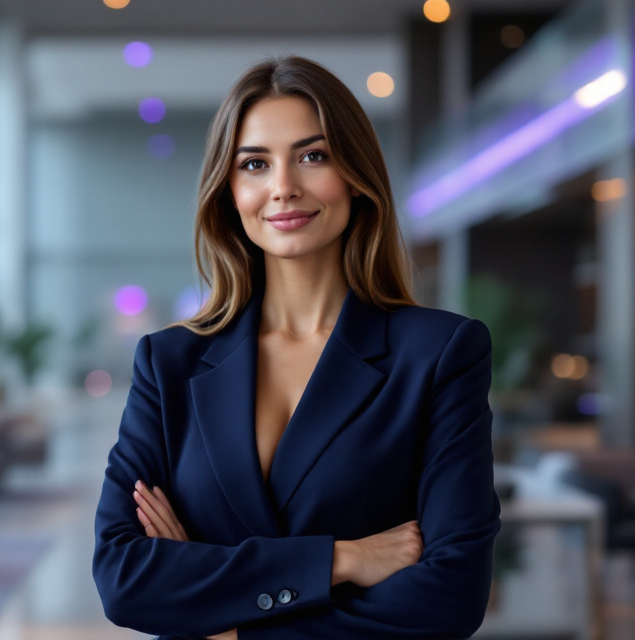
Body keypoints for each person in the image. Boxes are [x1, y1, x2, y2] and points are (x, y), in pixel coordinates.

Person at [92, 56, 501, 640]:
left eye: (313, 156)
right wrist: (340, 560)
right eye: (255, 164)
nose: (283, 187)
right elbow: (124, 577)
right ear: (230, 190)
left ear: (355, 175)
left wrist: (225, 625)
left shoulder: (439, 353)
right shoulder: (169, 362)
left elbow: (450, 596)